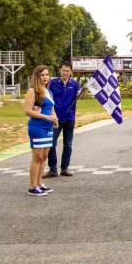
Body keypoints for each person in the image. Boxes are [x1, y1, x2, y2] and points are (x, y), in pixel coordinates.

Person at [24, 65, 58, 196]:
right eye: (42, 75)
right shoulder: (33, 91)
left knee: (44, 157)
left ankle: (39, 183)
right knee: (37, 157)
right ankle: (32, 187)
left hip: (48, 127)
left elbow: (52, 109)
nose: (45, 77)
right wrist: (46, 117)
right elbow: (27, 110)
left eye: (47, 75)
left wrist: (55, 119)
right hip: (37, 127)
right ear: (37, 77)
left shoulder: (49, 92)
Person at [45, 61, 81, 178]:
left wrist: (83, 92)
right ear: (60, 70)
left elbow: (80, 95)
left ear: (70, 72)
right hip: (55, 118)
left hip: (70, 118)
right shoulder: (52, 83)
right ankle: (53, 169)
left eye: (68, 71)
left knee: (68, 145)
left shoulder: (75, 84)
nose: (65, 72)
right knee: (51, 144)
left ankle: (64, 168)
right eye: (64, 70)